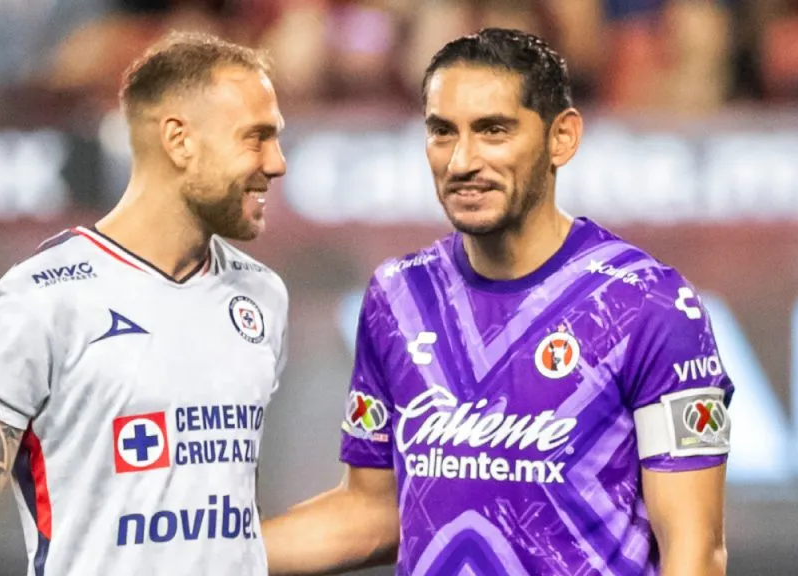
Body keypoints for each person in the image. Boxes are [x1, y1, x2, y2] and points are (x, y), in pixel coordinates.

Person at [264, 28, 733, 576]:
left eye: (493, 130)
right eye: (443, 131)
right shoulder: (398, 295)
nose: (462, 160)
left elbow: (695, 549)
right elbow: (372, 510)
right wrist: (205, 555)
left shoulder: (648, 303)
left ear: (562, 138)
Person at [0, 31, 289, 575]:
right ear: (179, 140)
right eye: (256, 138)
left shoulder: (263, 296)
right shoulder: (41, 298)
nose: (276, 163)